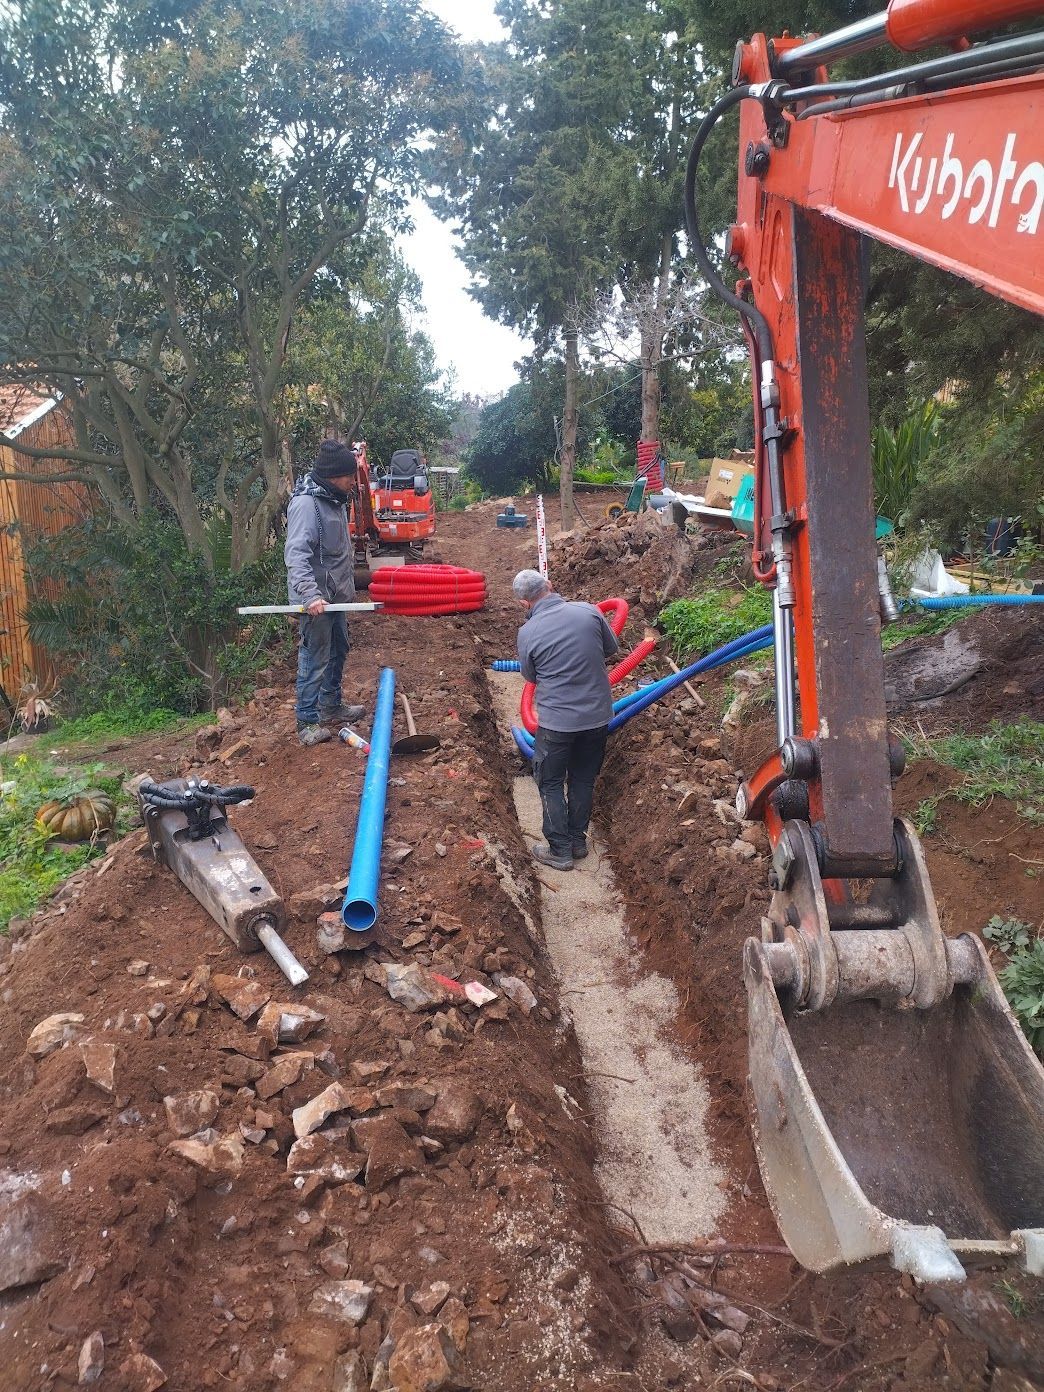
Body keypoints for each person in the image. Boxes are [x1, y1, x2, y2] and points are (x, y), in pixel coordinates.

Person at [514, 569, 619, 871]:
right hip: (598, 717)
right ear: (550, 585)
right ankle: (578, 841)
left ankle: (559, 851)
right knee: (583, 778)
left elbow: (530, 676)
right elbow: (611, 650)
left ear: (524, 603)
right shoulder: (589, 611)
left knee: (549, 781)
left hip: (557, 723)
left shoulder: (528, 632)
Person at [285, 440, 374, 747]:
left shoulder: (333, 501)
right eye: (350, 476)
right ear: (335, 475)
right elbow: (296, 554)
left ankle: (331, 705)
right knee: (315, 657)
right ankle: (307, 722)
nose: (353, 481)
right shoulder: (307, 505)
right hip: (316, 602)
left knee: (339, 650)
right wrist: (309, 595)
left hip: (334, 599)